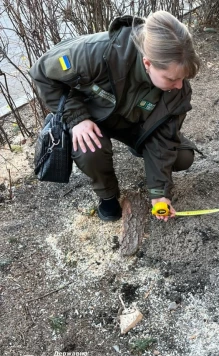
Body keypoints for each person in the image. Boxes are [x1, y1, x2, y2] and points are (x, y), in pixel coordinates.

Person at [29, 11, 200, 222]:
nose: (179, 85)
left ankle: (138, 147)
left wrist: (158, 194)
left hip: (135, 124)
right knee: (88, 147)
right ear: (148, 63)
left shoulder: (178, 91)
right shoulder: (95, 52)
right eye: (172, 78)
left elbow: (164, 141)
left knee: (183, 156)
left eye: (183, 78)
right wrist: (77, 118)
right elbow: (42, 72)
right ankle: (107, 196)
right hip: (93, 117)